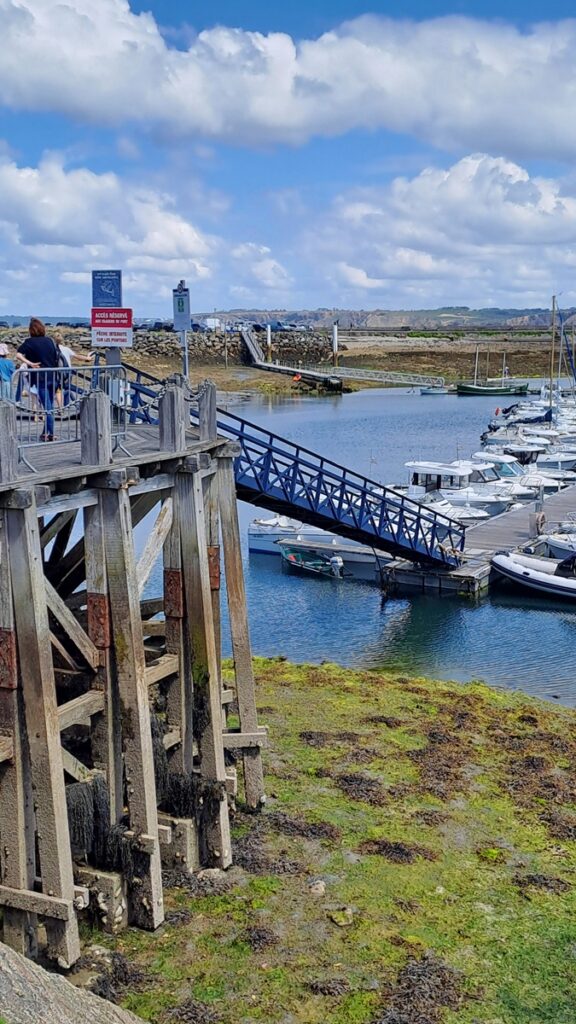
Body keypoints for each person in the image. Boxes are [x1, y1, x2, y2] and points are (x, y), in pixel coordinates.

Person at [16, 318, 60, 441]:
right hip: (53, 376)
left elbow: (18, 354)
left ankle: (50, 434)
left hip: (40, 378)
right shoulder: (50, 341)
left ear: (31, 330)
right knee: (49, 405)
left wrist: (30, 363)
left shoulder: (29, 342)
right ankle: (45, 432)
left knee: (47, 408)